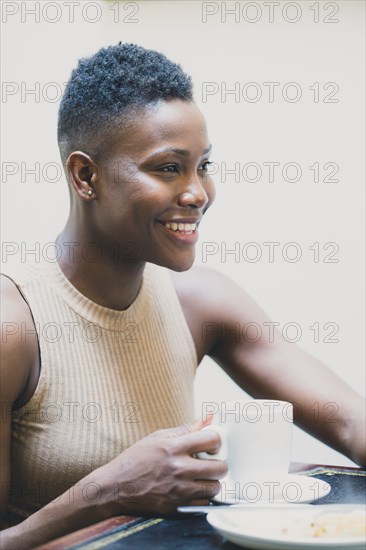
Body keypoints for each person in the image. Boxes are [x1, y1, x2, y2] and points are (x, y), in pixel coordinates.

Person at [0, 43, 365, 549]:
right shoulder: (12, 324)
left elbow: (348, 419)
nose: (197, 193)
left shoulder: (199, 300)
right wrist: (107, 492)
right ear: (86, 176)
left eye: (204, 165)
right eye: (169, 168)